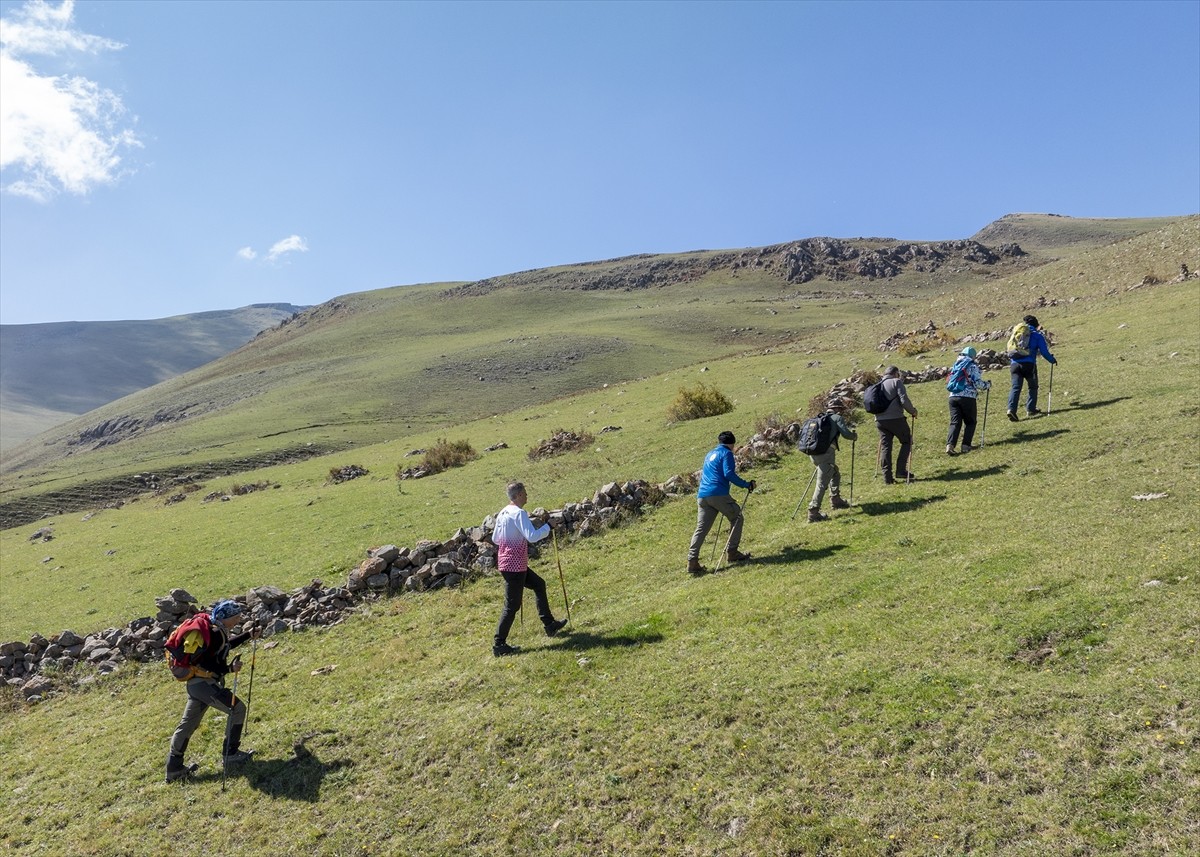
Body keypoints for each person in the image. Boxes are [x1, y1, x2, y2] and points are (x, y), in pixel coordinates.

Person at [165, 599, 258, 783]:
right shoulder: (215, 633)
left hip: (196, 685)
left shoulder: (216, 629)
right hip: (205, 685)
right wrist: (230, 669)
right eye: (236, 617)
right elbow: (207, 663)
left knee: (187, 725)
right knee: (237, 709)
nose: (238, 619)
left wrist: (248, 635)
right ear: (227, 618)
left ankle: (174, 769)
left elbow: (223, 647)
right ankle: (230, 754)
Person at [491, 482, 568, 657]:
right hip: (515, 566)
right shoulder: (519, 513)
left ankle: (549, 625)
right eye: (525, 493)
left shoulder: (503, 512)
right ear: (518, 495)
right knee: (512, 606)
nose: (527, 496)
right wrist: (548, 526)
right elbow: (532, 537)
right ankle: (499, 644)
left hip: (507, 563)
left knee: (539, 584)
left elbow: (496, 538)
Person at [686, 431, 756, 574]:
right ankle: (732, 552)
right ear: (732, 444)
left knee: (701, 529)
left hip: (703, 495)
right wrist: (746, 484)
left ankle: (692, 561)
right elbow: (728, 473)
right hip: (717, 493)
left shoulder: (710, 454)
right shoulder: (727, 454)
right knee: (737, 518)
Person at [806, 412, 858, 522]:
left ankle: (836, 499)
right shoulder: (837, 417)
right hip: (826, 454)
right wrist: (854, 436)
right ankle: (813, 512)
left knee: (834, 472)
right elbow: (846, 434)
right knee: (822, 483)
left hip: (813, 453)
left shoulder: (817, 419)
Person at [1007, 314, 1057, 421]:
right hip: (1029, 364)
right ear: (1036, 325)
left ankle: (1011, 409)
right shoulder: (1037, 335)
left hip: (1014, 364)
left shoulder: (1018, 333)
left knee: (1015, 388)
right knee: (1033, 386)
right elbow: (1044, 352)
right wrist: (1052, 360)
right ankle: (1030, 409)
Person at [873, 366, 919, 483]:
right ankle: (901, 471)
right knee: (906, 441)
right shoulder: (896, 382)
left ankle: (887, 478)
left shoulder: (878, 385)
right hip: (896, 418)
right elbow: (903, 400)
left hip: (880, 420)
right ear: (896, 373)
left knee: (886, 447)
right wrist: (913, 411)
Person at [945, 346, 992, 455]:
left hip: (953, 397)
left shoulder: (955, 365)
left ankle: (950, 445)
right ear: (973, 356)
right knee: (970, 422)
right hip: (967, 397)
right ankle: (966, 446)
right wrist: (987, 385)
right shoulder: (972, 365)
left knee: (955, 422)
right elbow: (977, 383)